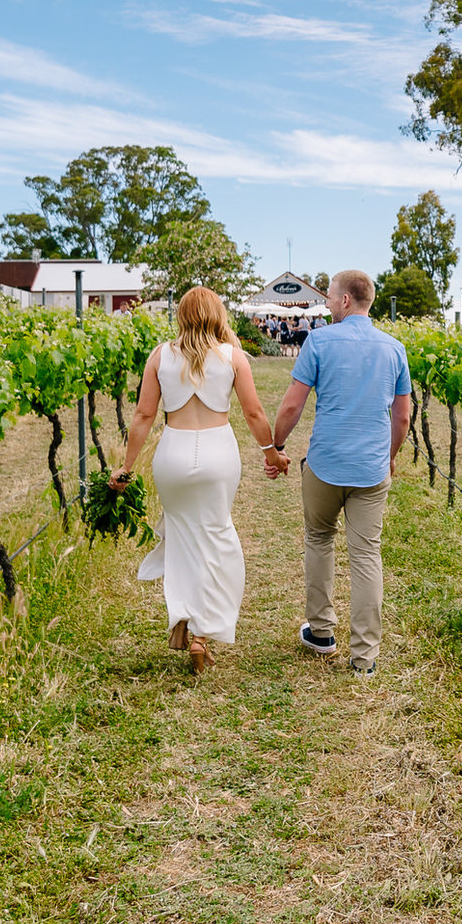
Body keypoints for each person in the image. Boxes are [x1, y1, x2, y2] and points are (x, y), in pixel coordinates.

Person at [112, 286, 281, 674]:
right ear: (217, 315)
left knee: (182, 538)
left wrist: (127, 466)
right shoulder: (233, 358)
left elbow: (142, 416)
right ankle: (203, 632)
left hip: (172, 455)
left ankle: (184, 618)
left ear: (182, 316)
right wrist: (270, 451)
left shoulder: (159, 356)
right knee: (220, 540)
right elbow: (253, 413)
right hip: (218, 455)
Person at [270, 268, 411, 675]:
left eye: (331, 296)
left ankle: (321, 632)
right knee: (367, 554)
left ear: (346, 300)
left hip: (326, 465)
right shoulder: (394, 348)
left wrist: (277, 446)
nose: (328, 302)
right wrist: (390, 455)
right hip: (370, 468)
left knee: (319, 538)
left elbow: (293, 406)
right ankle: (364, 658)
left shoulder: (319, 341)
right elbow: (401, 417)